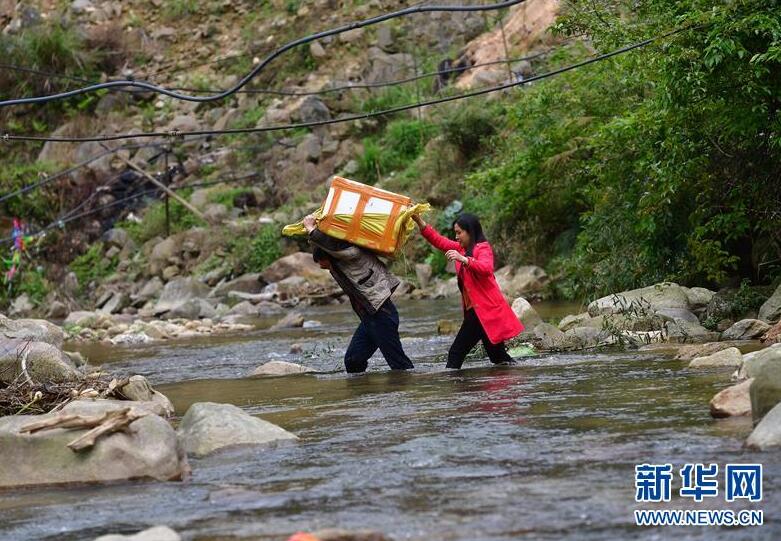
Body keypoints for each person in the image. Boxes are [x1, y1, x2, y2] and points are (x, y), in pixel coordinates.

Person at [303, 214, 414, 373]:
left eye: (323, 264)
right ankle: (364, 388)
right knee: (353, 361)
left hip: (381, 315)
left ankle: (411, 385)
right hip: (370, 317)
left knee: (400, 365)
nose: (323, 268)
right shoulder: (338, 265)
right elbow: (326, 244)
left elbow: (333, 246)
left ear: (332, 257)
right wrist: (313, 234)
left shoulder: (350, 256)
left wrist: (311, 229)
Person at [412, 213, 524, 369]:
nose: (456, 237)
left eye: (459, 232)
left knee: (455, 354)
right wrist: (419, 222)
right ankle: (521, 374)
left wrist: (464, 259)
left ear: (470, 231)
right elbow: (439, 240)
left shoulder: (482, 248)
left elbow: (486, 268)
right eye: (455, 233)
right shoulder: (461, 248)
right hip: (479, 313)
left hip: (484, 312)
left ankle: (456, 385)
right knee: (499, 358)